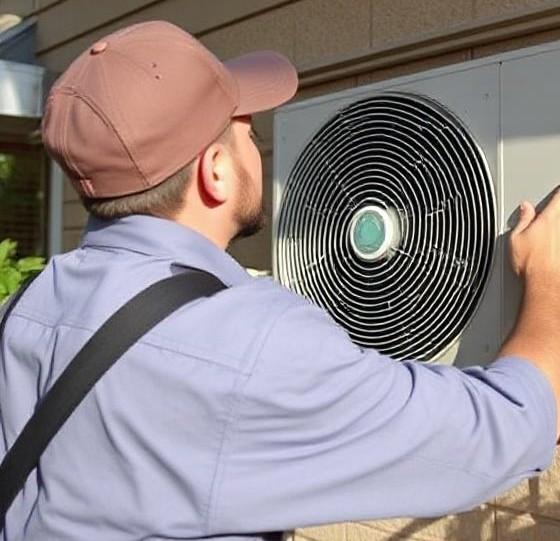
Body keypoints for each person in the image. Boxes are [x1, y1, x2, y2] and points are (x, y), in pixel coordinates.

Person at [1, 19, 559, 541]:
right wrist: (549, 283)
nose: (260, 145)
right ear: (214, 171)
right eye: (245, 128)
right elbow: (500, 430)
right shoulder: (250, 344)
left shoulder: (23, 307)